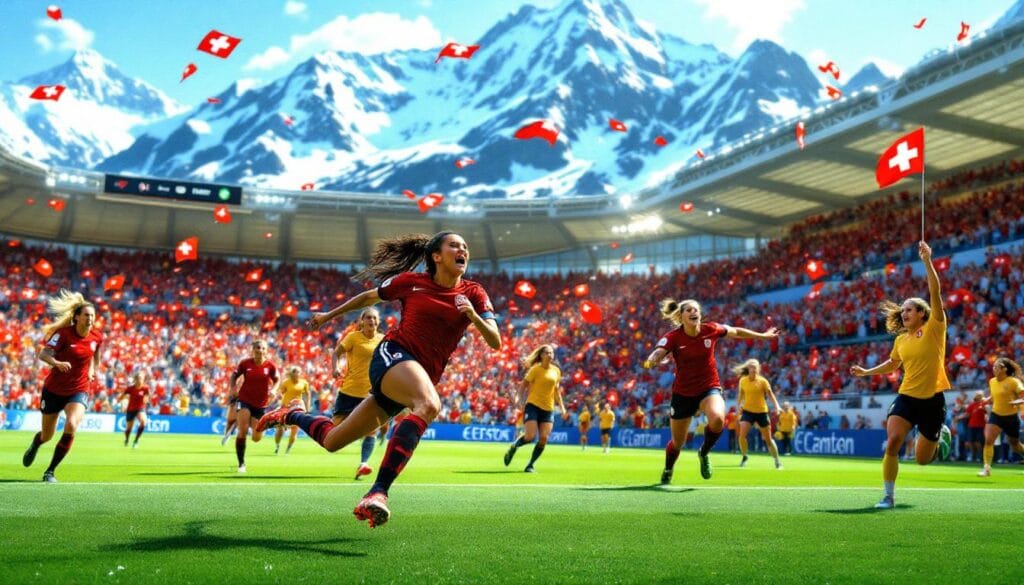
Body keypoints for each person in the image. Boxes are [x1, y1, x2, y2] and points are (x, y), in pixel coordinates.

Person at [256, 231, 500, 528]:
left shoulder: (474, 293)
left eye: (465, 246)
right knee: (427, 405)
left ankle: (292, 414)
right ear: (436, 256)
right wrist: (328, 316)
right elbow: (368, 297)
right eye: (454, 245)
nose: (462, 250)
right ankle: (378, 492)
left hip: (415, 376)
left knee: (333, 440)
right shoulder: (411, 282)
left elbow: (495, 341)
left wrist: (473, 316)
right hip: (392, 355)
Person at [850, 241, 952, 510]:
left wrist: (927, 261)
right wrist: (866, 372)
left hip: (932, 400)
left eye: (909, 309)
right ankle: (888, 496)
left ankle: (939, 434)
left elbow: (935, 291)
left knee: (922, 460)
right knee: (893, 441)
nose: (903, 312)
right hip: (906, 397)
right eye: (903, 309)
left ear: (922, 314)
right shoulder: (901, 341)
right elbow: (892, 365)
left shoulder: (934, 328)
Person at [644, 298, 780, 485]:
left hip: (709, 388)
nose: (694, 312)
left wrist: (762, 336)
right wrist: (652, 360)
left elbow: (736, 331)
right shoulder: (673, 337)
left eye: (696, 309)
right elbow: (658, 352)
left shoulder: (711, 330)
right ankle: (668, 469)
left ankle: (704, 452)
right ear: (681, 316)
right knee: (678, 443)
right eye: (689, 310)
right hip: (683, 394)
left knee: (717, 419)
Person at [21, 290, 102, 483]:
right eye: (86, 315)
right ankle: (36, 443)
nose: (90, 318)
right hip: (54, 390)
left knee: (72, 424)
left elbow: (95, 356)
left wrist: (92, 370)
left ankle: (50, 471)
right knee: (47, 435)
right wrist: (56, 363)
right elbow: (43, 355)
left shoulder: (96, 337)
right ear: (76, 317)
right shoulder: (63, 334)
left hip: (78, 390)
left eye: (92, 315)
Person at [330, 308, 385, 478]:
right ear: (362, 321)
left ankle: (363, 464)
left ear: (379, 321)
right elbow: (336, 353)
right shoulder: (353, 337)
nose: (371, 320)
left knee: (371, 430)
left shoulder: (383, 340)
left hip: (370, 393)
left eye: (374, 318)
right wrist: (336, 367)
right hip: (349, 390)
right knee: (335, 433)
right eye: (368, 317)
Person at [503, 344, 568, 472]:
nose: (550, 355)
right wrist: (518, 398)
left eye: (551, 353)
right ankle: (514, 447)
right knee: (530, 436)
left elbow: (556, 390)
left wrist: (562, 407)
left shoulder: (556, 371)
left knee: (544, 438)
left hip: (548, 408)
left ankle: (530, 465)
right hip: (533, 405)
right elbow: (524, 385)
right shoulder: (535, 370)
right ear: (541, 355)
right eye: (547, 353)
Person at [229, 339, 280, 473]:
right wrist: (233, 388)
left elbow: (277, 380)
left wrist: (274, 390)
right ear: (253, 349)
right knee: (243, 431)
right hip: (244, 400)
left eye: (263, 348)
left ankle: (251, 425)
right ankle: (241, 464)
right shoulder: (245, 364)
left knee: (256, 438)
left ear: (266, 350)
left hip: (261, 405)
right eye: (258, 347)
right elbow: (234, 376)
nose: (260, 350)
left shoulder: (270, 366)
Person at [978, 358, 1024, 476]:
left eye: (997, 366)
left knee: (1015, 445)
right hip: (996, 415)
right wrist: (986, 401)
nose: (994, 368)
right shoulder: (992, 381)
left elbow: (1023, 396)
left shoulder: (1013, 382)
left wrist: (1016, 402)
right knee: (988, 440)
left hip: (1011, 417)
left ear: (1005, 369)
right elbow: (994, 397)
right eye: (993, 366)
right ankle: (987, 468)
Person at [734, 359, 783, 469]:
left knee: (768, 440)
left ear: (758, 368)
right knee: (742, 436)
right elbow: (740, 395)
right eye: (751, 366)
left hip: (762, 412)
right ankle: (745, 456)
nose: (754, 368)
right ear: (748, 368)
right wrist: (738, 407)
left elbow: (771, 395)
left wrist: (777, 406)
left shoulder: (763, 381)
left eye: (756, 366)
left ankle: (777, 461)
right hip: (747, 411)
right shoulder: (743, 381)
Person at [274, 366, 311, 455]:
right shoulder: (286, 383)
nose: (297, 374)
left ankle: (288, 450)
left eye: (298, 372)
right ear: (292, 374)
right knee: (280, 429)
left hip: (298, 408)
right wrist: (279, 397)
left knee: (294, 430)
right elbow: (281, 393)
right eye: (295, 373)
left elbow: (307, 395)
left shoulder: (304, 383)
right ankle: (277, 446)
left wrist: (307, 408)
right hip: (285, 407)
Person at [115, 371, 150, 448]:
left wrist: (146, 400)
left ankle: (136, 441)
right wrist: (118, 402)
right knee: (129, 429)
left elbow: (147, 397)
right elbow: (122, 396)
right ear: (135, 379)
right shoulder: (130, 388)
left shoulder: (145, 388)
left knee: (143, 422)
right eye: (138, 378)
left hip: (140, 408)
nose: (140, 380)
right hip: (131, 409)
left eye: (141, 378)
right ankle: (127, 439)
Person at [964, 391, 987, 463]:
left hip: (981, 426)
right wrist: (958, 418)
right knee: (971, 442)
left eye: (980, 395)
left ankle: (979, 456)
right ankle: (973, 455)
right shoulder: (972, 405)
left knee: (979, 442)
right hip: (972, 425)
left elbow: (988, 413)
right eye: (977, 395)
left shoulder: (985, 404)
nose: (979, 397)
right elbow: (967, 414)